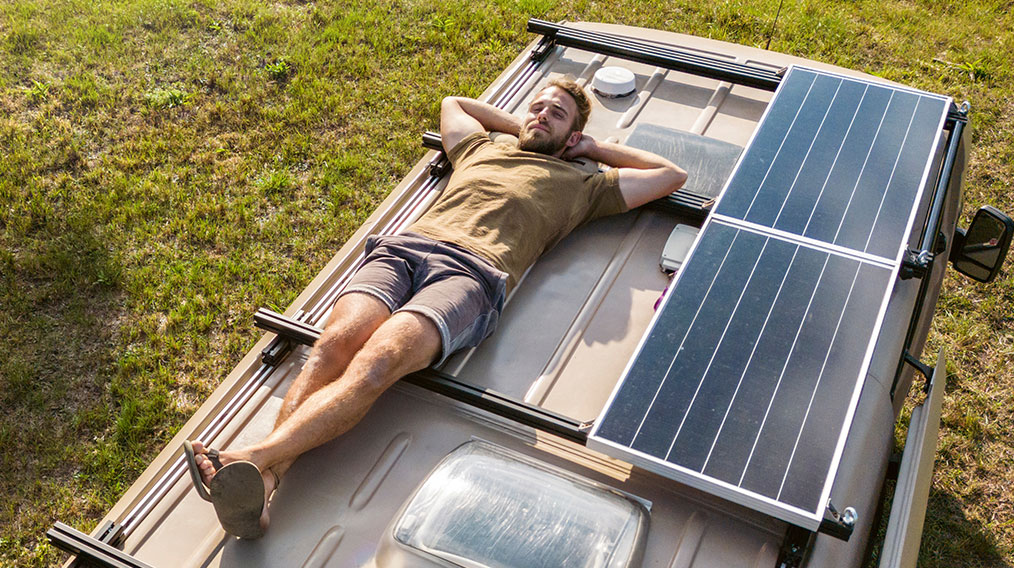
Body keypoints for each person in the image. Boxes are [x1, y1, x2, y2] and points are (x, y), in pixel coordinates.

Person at [188, 78, 687, 534]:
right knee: (332, 346)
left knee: (376, 363)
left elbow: (672, 174)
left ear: (573, 135)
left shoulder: (585, 186)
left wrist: (593, 148)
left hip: (472, 274)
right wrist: (524, 124)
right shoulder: (479, 149)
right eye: (536, 106)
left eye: (556, 115)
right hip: (405, 249)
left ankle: (252, 458)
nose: (541, 114)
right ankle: (267, 481)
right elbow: (455, 103)